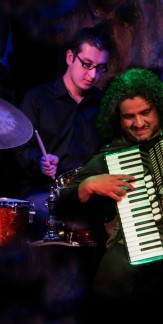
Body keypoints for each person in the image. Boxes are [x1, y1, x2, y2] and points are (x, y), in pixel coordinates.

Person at [54, 67, 163, 322]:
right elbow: (61, 203)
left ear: (159, 110)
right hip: (139, 248)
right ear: (118, 119)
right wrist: (88, 184)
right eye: (129, 117)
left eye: (146, 113)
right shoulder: (115, 154)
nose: (139, 123)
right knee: (109, 281)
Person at [14, 26, 113, 241]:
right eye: (87, 64)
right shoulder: (38, 98)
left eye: (100, 68)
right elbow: (21, 150)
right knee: (45, 213)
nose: (93, 75)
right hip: (44, 190)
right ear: (70, 57)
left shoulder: (103, 103)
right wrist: (39, 160)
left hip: (89, 191)